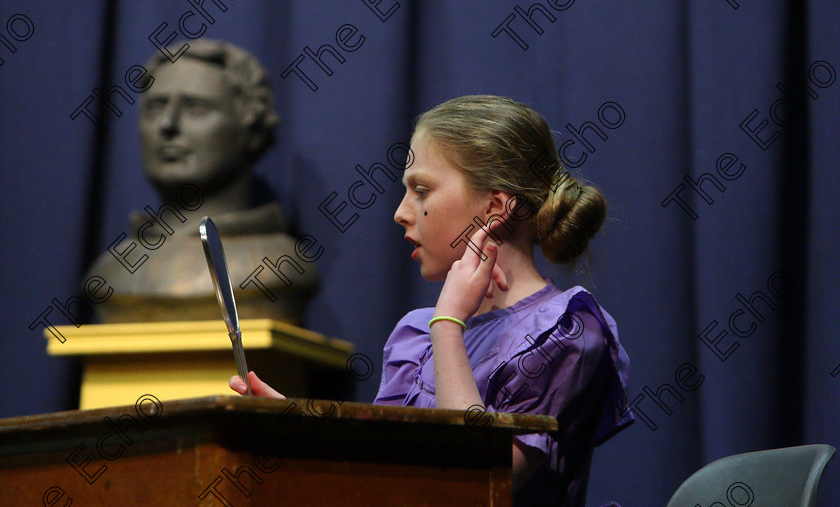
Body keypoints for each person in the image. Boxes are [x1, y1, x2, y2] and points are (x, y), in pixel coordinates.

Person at [230, 95, 632, 507]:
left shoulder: (568, 332)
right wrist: (302, 434)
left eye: (421, 190)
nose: (401, 213)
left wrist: (447, 326)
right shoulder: (416, 334)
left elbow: (471, 486)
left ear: (493, 207)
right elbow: (389, 485)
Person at [85, 39, 317, 323]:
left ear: (251, 127)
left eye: (196, 108)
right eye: (156, 108)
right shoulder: (112, 270)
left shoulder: (278, 266)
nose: (167, 124)